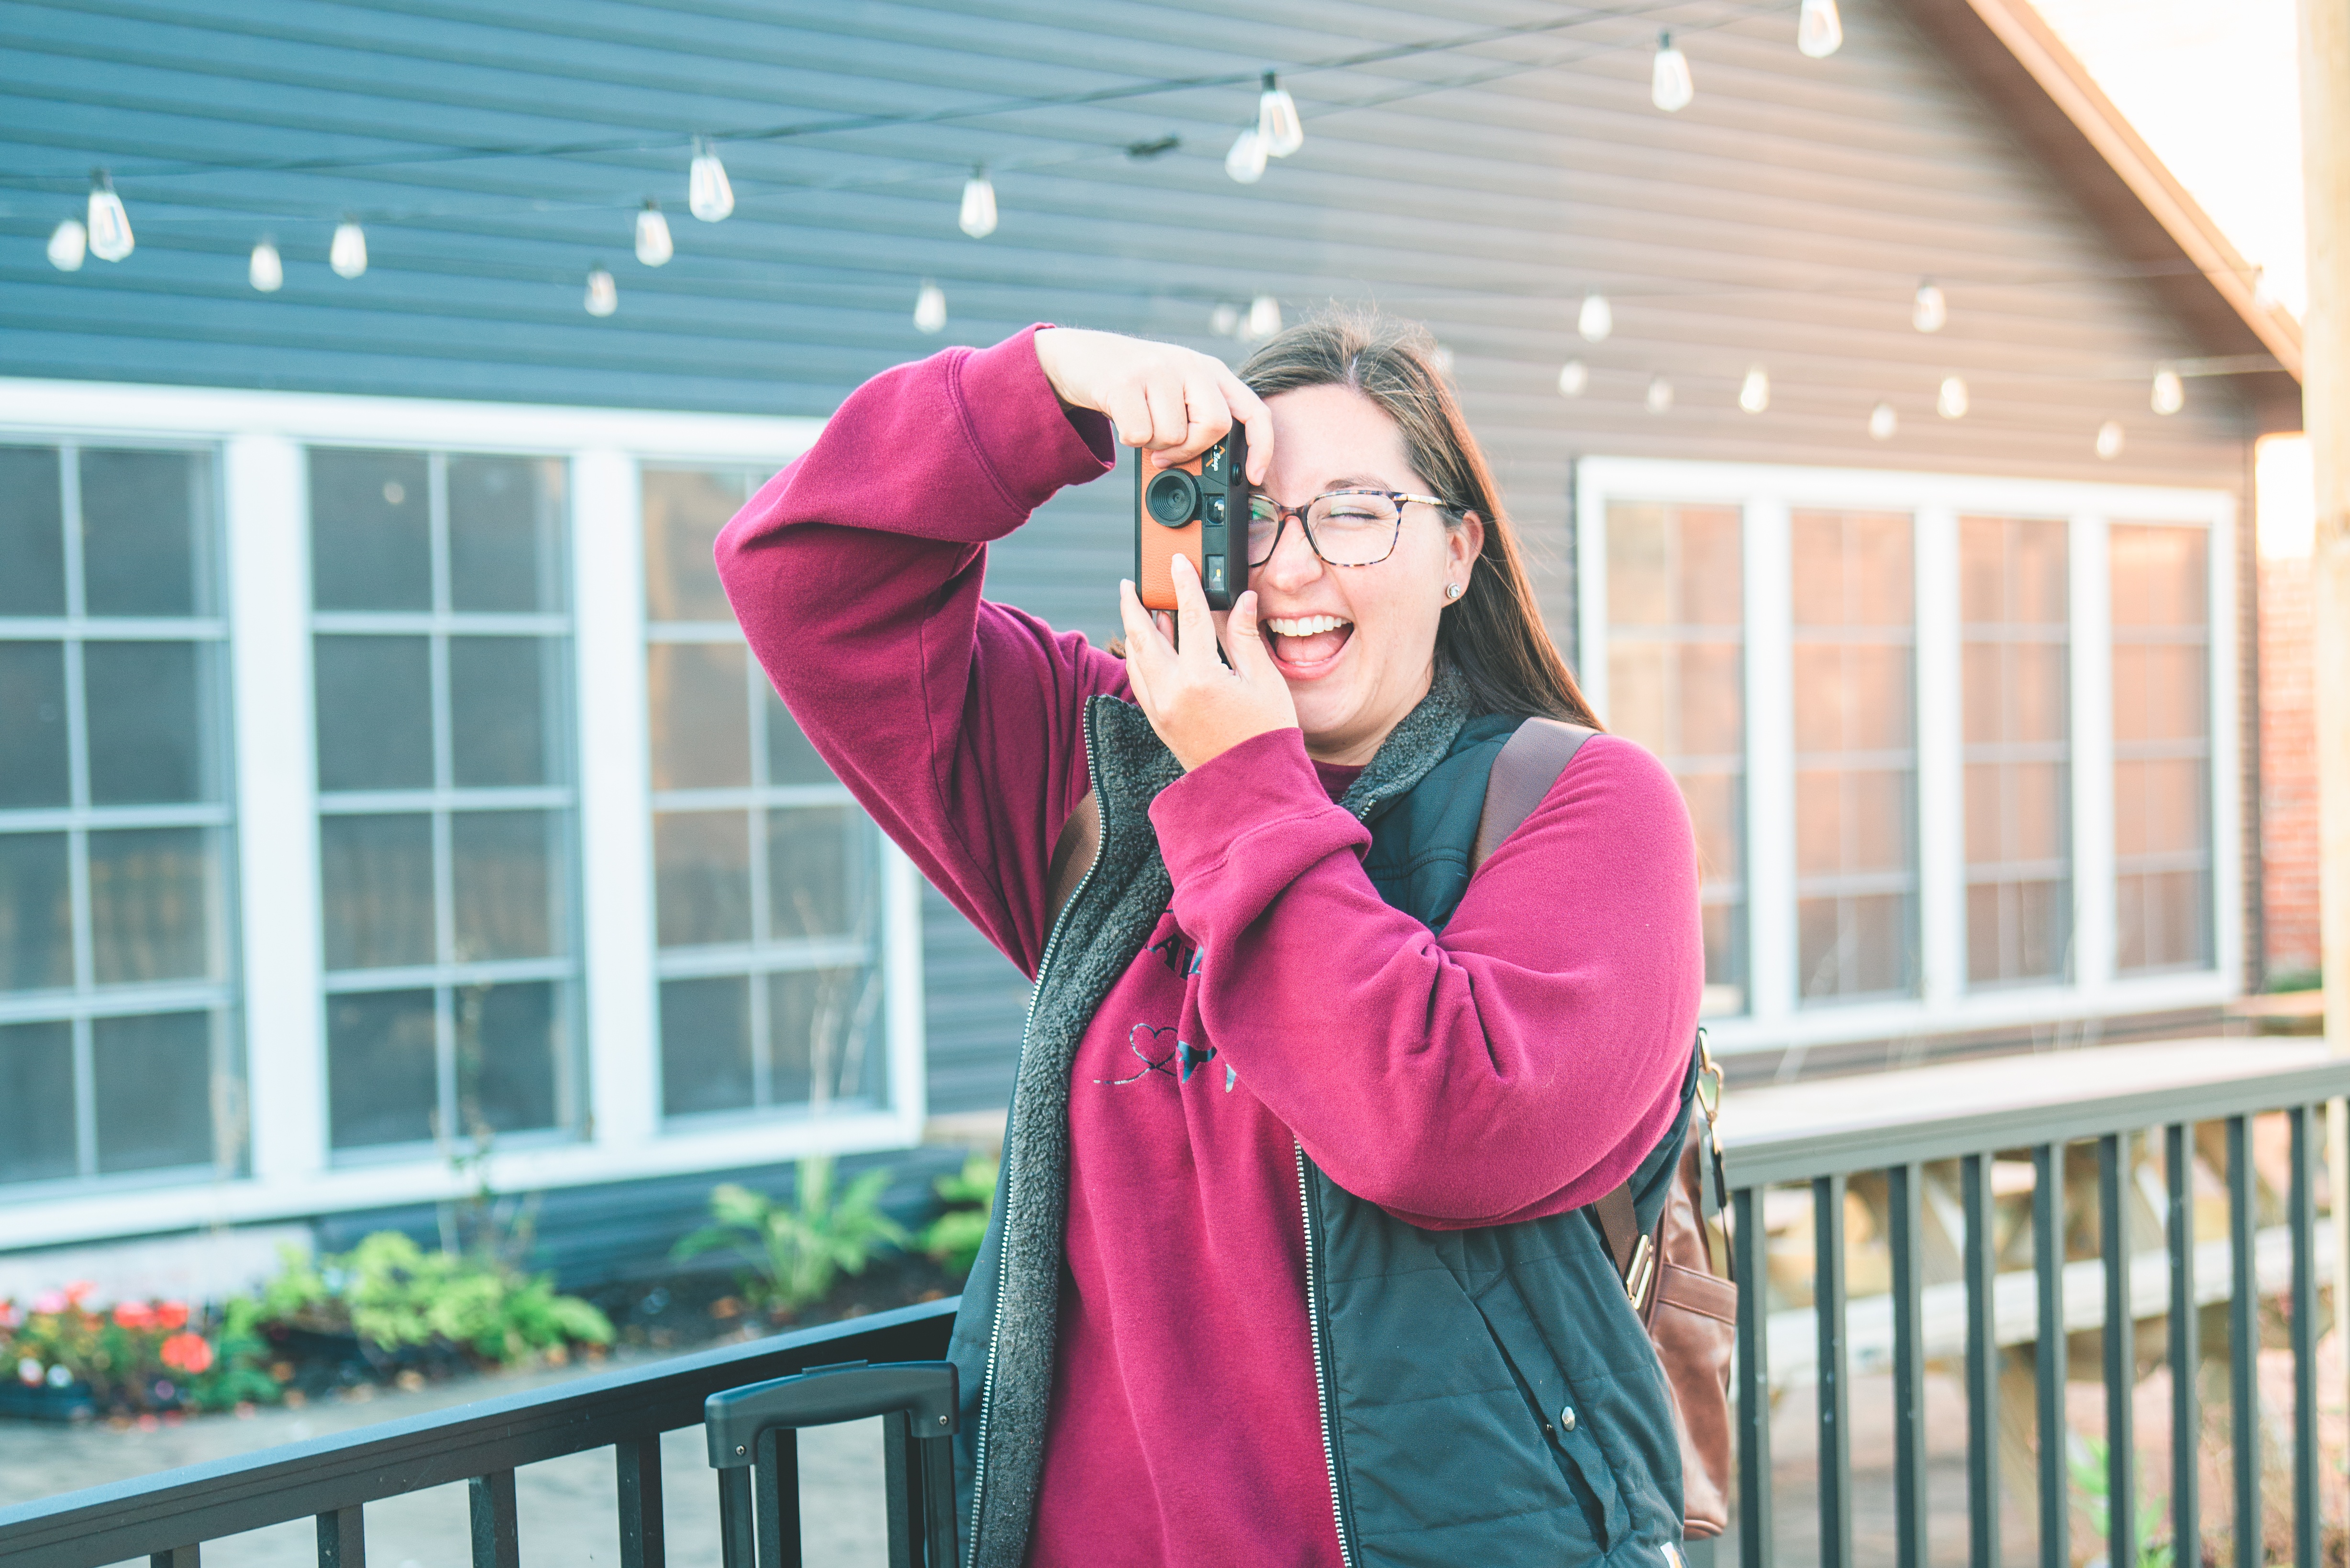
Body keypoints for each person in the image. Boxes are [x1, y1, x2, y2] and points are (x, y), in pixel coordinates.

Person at [715, 315, 1704, 1568]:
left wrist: (1240, 771)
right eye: (1248, 511)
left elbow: (1440, 1126)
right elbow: (803, 573)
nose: (1291, 572)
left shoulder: (1586, 804)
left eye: (1356, 514)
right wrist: (1048, 387)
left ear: (1458, 553)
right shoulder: (1111, 775)